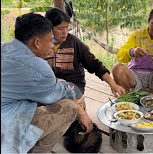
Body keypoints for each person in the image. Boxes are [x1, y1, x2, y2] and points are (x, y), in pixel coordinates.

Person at [1, 13, 93, 153]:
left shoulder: (4, 48)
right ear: (37, 43)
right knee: (69, 107)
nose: (52, 46)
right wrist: (83, 114)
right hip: (5, 128)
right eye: (50, 41)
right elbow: (64, 93)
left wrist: (55, 83)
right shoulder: (38, 68)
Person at [45, 8, 125, 107]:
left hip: (73, 85)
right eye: (60, 29)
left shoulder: (74, 42)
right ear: (49, 29)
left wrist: (113, 84)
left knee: (61, 98)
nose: (65, 32)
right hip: (50, 86)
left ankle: (79, 115)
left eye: (67, 27)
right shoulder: (41, 45)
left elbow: (95, 65)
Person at [112, 8, 153, 93]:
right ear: (148, 21)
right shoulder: (137, 35)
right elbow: (120, 55)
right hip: (134, 76)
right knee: (117, 68)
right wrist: (132, 52)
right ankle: (127, 99)